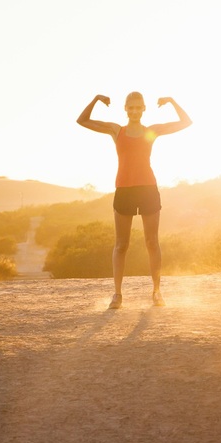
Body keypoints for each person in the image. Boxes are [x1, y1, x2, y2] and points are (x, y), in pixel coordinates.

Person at [77, 92, 192, 309]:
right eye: (131, 108)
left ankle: (157, 292)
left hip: (148, 189)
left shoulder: (152, 131)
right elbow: (82, 121)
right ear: (126, 109)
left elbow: (185, 122)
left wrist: (172, 102)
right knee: (121, 245)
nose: (134, 111)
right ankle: (117, 295)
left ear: (144, 109)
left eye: (138, 108)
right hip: (124, 190)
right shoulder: (116, 130)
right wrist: (95, 100)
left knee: (152, 242)